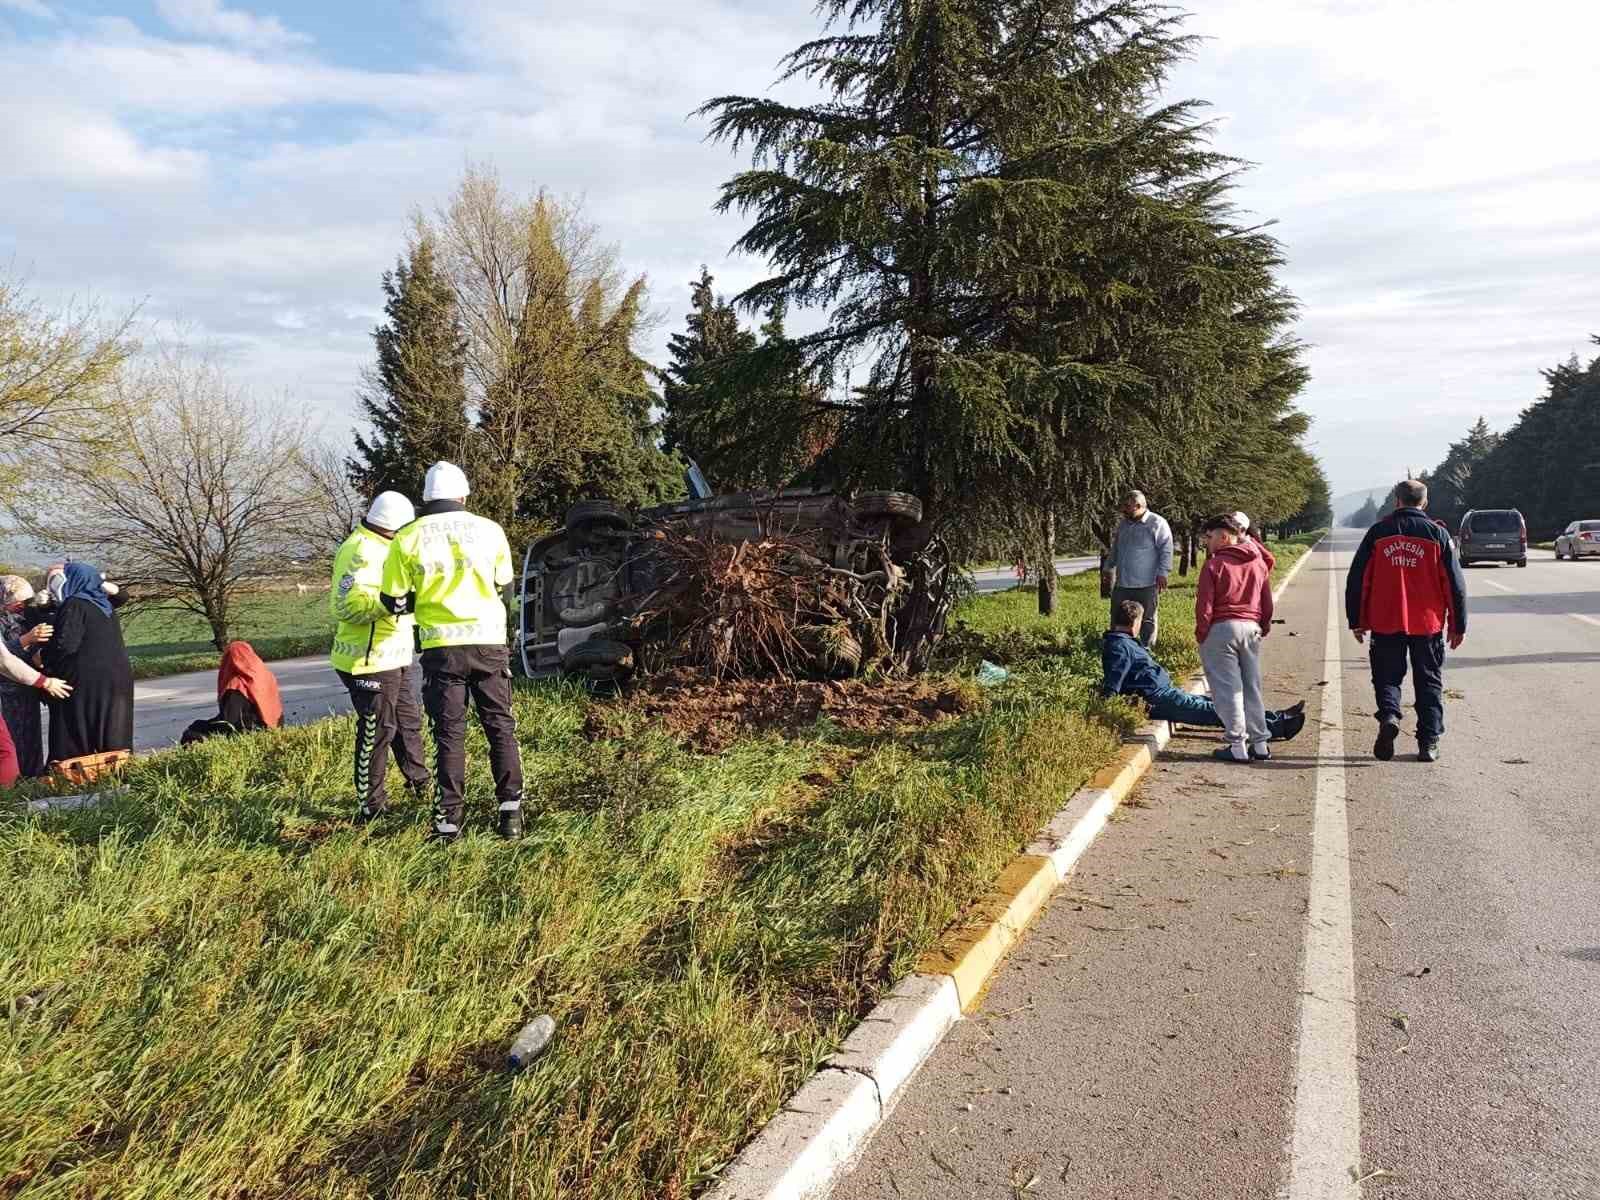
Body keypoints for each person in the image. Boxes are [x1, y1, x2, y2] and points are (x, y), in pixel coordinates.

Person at [381, 462, 524, 842]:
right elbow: (505, 590)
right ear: (463, 495)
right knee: (500, 728)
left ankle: (448, 823)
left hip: (441, 650)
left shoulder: (407, 537)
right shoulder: (491, 530)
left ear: (426, 497)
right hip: (489, 644)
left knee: (449, 734)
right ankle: (510, 816)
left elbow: (392, 599)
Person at [1345, 479, 1466, 763]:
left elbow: (1358, 579)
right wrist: (1458, 625)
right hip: (1427, 624)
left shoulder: (1378, 532)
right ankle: (1429, 741)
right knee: (1429, 681)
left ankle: (1389, 715)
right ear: (1424, 503)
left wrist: (1357, 620)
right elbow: (1454, 583)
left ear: (1397, 501)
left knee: (1387, 677)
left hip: (1385, 620)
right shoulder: (1437, 534)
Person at [331, 490, 431, 824]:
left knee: (408, 722)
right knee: (378, 730)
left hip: (397, 655)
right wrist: (392, 604)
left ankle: (420, 783)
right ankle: (370, 806)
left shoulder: (389, 546)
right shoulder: (358, 551)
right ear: (394, 527)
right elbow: (345, 606)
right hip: (367, 660)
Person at [1102, 599, 1305, 740]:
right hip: (1158, 699)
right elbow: (1113, 681)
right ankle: (1277, 727)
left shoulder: (1125, 642)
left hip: (1166, 693)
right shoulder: (1119, 647)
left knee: (1221, 703)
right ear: (1134, 622)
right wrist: (1104, 708)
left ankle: (1276, 716)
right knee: (1217, 711)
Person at [36, 562, 134, 767]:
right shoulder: (103, 604)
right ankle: (117, 774)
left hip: (85, 681)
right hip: (117, 678)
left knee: (76, 732)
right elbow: (121, 597)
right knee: (112, 730)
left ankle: (77, 778)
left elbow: (65, 645)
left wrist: (41, 657)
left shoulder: (75, 604)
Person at [1195, 513, 1274, 763]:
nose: (1207, 543)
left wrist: (1201, 633)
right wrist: (1264, 624)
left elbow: (1205, 605)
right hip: (1251, 629)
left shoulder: (1214, 565)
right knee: (1252, 687)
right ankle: (1260, 743)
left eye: (1210, 537)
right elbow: (1266, 600)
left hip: (1221, 630)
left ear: (1225, 536)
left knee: (1228, 690)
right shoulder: (1258, 562)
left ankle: (1237, 745)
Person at [0, 575, 58, 777]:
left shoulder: (23, 618)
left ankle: (32, 777)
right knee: (10, 742)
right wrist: (27, 639)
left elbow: (27, 653)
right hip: (6, 693)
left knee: (31, 736)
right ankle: (13, 783)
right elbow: (3, 657)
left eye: (25, 602)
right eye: (18, 602)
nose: (21, 606)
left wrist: (38, 654)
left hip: (27, 687)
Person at [1103, 489, 1173, 647]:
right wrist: (1108, 567)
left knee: (1147, 618)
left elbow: (1166, 550)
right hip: (1123, 584)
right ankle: (1119, 647)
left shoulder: (1157, 523)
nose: (1124, 509)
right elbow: (1116, 548)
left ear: (1139, 505)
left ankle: (1146, 649)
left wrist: (1163, 573)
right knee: (1117, 615)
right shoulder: (1123, 524)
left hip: (1147, 583)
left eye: (1127, 506)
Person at [180, 641, 284, 744]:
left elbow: (228, 723)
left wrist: (201, 725)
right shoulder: (266, 677)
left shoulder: (236, 685)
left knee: (192, 732)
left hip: (248, 733)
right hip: (272, 728)